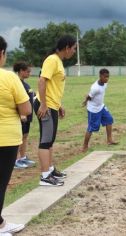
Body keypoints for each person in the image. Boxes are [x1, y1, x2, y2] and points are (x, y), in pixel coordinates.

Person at [34, 35, 77, 186]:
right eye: (73, 48)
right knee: (45, 141)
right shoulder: (52, 60)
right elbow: (41, 81)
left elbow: (53, 86)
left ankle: (50, 170)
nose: (74, 51)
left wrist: (59, 106)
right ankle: (45, 176)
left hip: (53, 105)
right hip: (46, 105)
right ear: (67, 47)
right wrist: (44, 105)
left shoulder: (58, 61)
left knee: (50, 140)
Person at [0, 36, 31, 235]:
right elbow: (26, 108)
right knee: (1, 183)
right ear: (1, 54)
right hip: (5, 138)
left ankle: (1, 223)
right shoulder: (9, 78)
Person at [81, 69, 118, 152]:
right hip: (93, 109)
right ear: (100, 76)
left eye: (108, 77)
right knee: (91, 128)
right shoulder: (95, 88)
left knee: (109, 119)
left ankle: (109, 140)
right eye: (105, 77)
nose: (107, 79)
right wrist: (85, 102)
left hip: (101, 106)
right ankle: (85, 146)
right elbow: (89, 96)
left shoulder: (105, 84)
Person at [12, 62, 36, 169]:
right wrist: (22, 114)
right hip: (22, 116)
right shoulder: (17, 83)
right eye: (27, 71)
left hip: (28, 115)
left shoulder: (25, 84)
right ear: (21, 71)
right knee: (18, 138)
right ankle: (15, 160)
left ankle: (22, 157)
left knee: (25, 136)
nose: (29, 73)